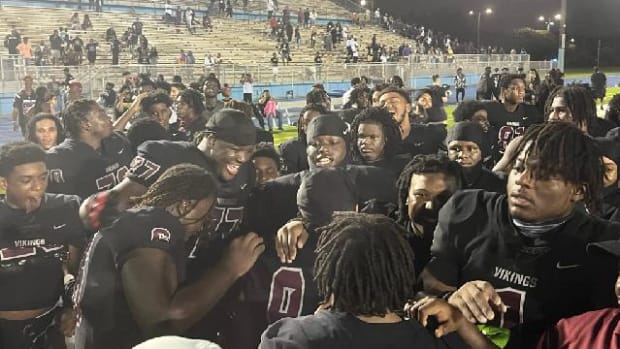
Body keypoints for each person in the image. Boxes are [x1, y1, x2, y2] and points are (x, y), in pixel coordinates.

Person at [421, 122, 620, 349]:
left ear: (578, 190)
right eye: (519, 167)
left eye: (543, 175)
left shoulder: (605, 245)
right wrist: (453, 295)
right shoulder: (468, 209)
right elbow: (429, 282)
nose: (523, 180)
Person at [74, 164, 265, 349]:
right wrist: (229, 268)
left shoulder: (135, 221)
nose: (203, 226)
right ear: (185, 205)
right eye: (206, 216)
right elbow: (162, 325)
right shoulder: (155, 223)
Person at [260, 212, 497, 349]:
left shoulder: (293, 338)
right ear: (400, 271)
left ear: (331, 273)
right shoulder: (438, 337)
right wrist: (463, 325)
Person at [0, 142, 85, 348]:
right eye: (26, 180)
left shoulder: (67, 207)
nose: (38, 186)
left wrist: (71, 307)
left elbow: (78, 268)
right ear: (4, 183)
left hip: (51, 326)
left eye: (43, 177)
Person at [46, 99, 134, 199]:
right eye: (102, 115)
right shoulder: (58, 159)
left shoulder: (116, 141)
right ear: (86, 124)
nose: (108, 117)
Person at [394, 154, 462, 276]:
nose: (430, 206)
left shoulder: (473, 245)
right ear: (406, 197)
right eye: (421, 195)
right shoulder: (388, 242)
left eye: (442, 198)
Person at [484, 74, 544, 156]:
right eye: (516, 88)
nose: (521, 92)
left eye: (523, 89)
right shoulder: (490, 110)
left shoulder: (530, 112)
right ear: (504, 90)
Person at [378, 87, 446, 157]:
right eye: (382, 103)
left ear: (408, 107)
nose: (387, 106)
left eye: (394, 101)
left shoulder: (431, 133)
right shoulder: (377, 140)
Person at [447, 122, 505, 193]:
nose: (463, 155)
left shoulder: (496, 184)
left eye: (471, 149)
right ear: (447, 152)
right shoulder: (438, 180)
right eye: (455, 149)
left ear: (482, 152)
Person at [349, 107, 408, 175]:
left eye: (372, 137)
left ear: (386, 139)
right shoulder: (347, 169)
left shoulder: (403, 169)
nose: (365, 142)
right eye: (361, 136)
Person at [279, 104, 328, 174]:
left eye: (316, 122)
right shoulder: (290, 148)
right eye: (307, 122)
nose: (311, 126)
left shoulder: (336, 146)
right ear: (302, 125)